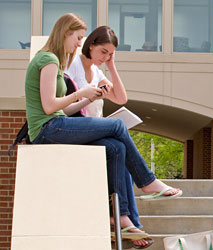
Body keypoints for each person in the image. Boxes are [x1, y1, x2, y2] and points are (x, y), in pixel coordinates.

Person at [24, 13, 182, 246]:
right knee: (117, 125)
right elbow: (49, 107)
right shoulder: (49, 60)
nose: (79, 44)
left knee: (116, 147)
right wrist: (81, 92)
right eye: (77, 38)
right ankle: (147, 182)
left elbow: (62, 110)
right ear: (65, 33)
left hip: (56, 125)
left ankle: (122, 216)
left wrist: (87, 99)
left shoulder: (53, 60)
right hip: (47, 130)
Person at [62, 25, 149, 248]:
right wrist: (90, 95)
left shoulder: (98, 71)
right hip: (77, 128)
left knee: (120, 151)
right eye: (103, 52)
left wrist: (111, 66)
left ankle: (127, 221)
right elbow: (66, 104)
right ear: (90, 46)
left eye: (110, 54)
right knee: (118, 145)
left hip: (95, 130)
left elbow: (121, 98)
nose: (106, 57)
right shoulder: (73, 67)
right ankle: (139, 198)